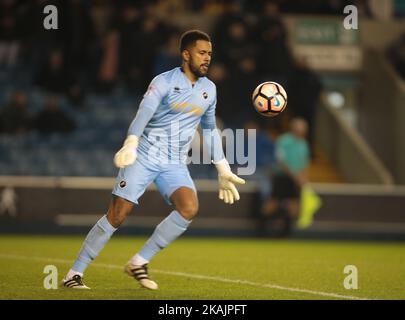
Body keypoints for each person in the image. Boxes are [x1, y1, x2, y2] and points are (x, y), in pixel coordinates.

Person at [62, 30, 246, 290]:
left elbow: (209, 130)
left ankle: (139, 262)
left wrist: (223, 168)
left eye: (210, 54)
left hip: (174, 162)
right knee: (118, 214)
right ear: (185, 54)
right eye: (202, 53)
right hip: (145, 154)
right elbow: (144, 111)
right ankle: (74, 273)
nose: (207, 59)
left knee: (189, 208)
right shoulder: (163, 81)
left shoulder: (209, 89)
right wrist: (132, 141)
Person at [261, 118, 310, 237]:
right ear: (293, 129)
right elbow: (281, 161)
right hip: (281, 177)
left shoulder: (304, 144)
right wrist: (294, 175)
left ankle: (287, 234)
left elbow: (305, 163)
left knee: (294, 207)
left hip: (295, 179)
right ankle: (262, 231)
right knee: (272, 204)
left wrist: (303, 178)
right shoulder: (283, 141)